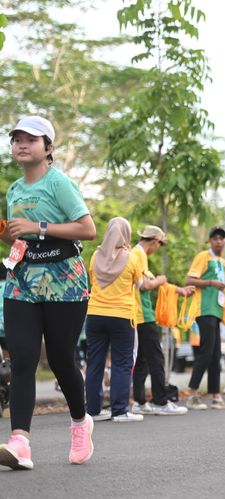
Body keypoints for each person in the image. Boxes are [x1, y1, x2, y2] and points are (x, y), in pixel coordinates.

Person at [0, 116, 96, 470]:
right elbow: (18, 239)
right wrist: (7, 235)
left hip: (64, 280)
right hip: (23, 280)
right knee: (22, 358)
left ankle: (80, 422)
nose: (22, 144)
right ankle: (20, 443)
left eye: (31, 139)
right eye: (17, 139)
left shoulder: (59, 184)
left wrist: (38, 226)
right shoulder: (14, 190)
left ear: (48, 147)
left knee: (60, 359)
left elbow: (87, 229)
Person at [85, 217, 146, 423]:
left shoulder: (96, 256)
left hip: (95, 314)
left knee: (95, 363)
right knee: (121, 363)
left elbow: (93, 279)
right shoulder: (132, 258)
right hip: (121, 316)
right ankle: (119, 411)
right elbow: (139, 283)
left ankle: (93, 411)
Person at [131, 226, 193, 416]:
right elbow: (144, 285)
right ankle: (161, 401)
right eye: (160, 244)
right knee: (157, 359)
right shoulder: (138, 255)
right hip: (142, 315)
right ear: (155, 242)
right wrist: (159, 280)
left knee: (142, 360)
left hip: (139, 315)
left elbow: (152, 281)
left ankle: (140, 402)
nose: (158, 248)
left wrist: (179, 290)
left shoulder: (137, 254)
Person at [185, 226, 225, 410]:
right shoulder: (203, 256)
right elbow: (189, 280)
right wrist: (210, 282)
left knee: (216, 354)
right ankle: (191, 394)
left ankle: (216, 395)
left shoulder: (223, 262)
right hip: (204, 309)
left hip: (217, 310)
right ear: (210, 241)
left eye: (222, 238)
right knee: (206, 352)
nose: (219, 241)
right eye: (215, 238)